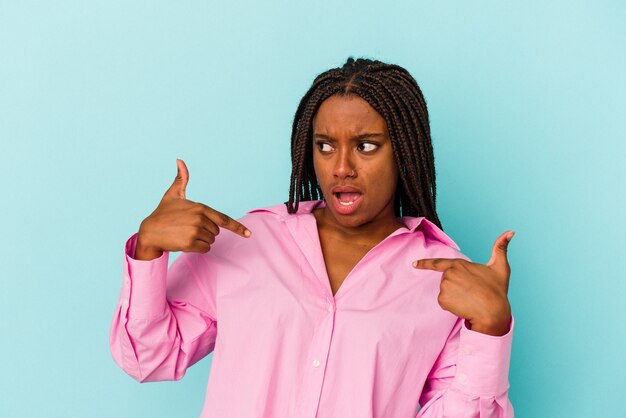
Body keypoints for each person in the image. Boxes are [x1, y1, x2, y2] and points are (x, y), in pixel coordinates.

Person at [110, 57, 515, 417]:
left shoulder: (445, 281)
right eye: (325, 146)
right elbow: (149, 357)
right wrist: (149, 250)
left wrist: (491, 329)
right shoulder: (249, 240)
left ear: (405, 152)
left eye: (366, 146)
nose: (341, 167)